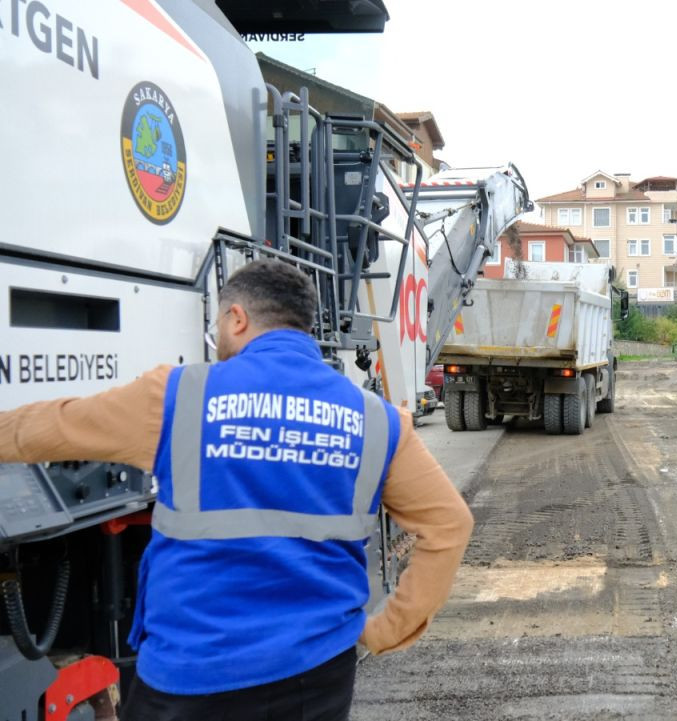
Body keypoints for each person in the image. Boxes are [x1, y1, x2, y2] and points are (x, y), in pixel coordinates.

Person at [0, 260, 474, 721]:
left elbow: (46, 427)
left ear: (237, 317)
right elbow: (449, 525)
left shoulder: (177, 394)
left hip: (191, 674)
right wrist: (384, 630)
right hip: (318, 672)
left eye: (218, 324)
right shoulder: (379, 420)